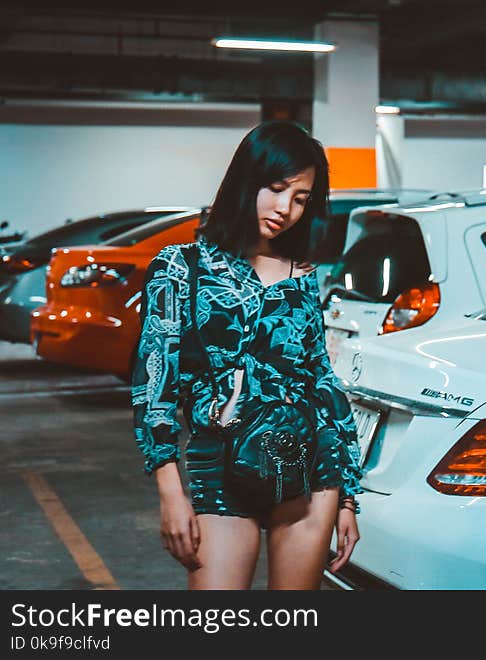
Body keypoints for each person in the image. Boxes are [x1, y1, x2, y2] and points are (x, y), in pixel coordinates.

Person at [131, 121, 362, 589]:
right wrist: (170, 493)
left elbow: (321, 383)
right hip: (219, 468)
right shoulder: (181, 267)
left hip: (306, 472)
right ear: (246, 179)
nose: (286, 209)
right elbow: (154, 386)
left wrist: (346, 497)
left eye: (301, 199)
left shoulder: (302, 274)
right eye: (277, 189)